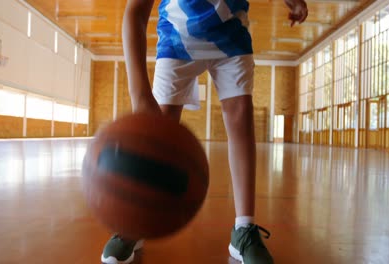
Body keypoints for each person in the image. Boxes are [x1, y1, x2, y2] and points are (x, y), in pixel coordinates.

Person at [101, 0, 308, 263]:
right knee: (159, 133)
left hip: (230, 32)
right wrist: (140, 94)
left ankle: (244, 230)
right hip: (177, 35)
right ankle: (135, 222)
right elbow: (136, 11)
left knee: (240, 114)